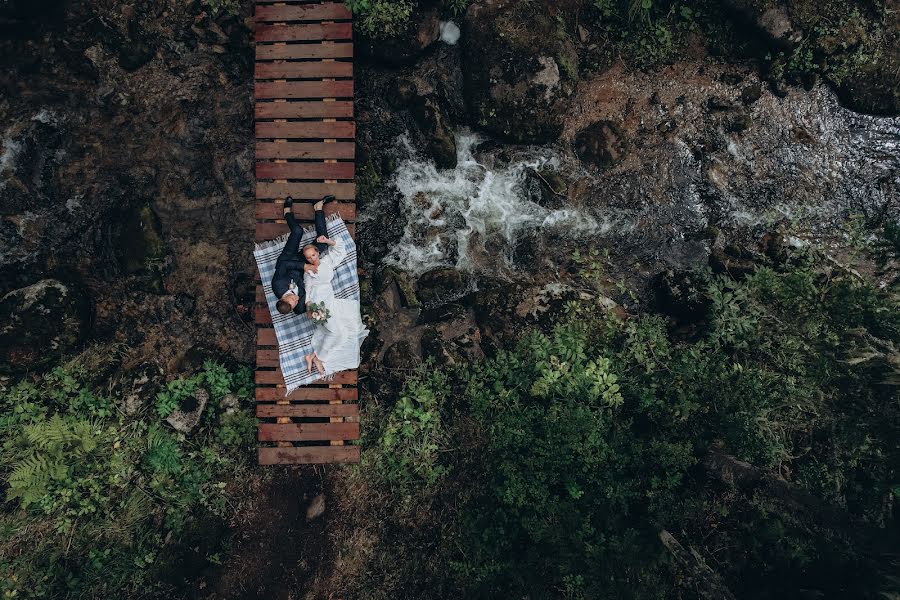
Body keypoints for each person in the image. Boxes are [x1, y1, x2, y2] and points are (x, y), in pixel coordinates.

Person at [302, 234, 369, 376]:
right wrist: (309, 308)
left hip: (329, 299)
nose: (312, 259)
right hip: (318, 304)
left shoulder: (326, 262)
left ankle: (313, 356)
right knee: (337, 333)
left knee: (343, 329)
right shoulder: (309, 272)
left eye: (313, 255)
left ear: (318, 253)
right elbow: (307, 292)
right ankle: (318, 358)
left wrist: (327, 241)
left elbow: (340, 250)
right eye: (308, 257)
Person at [271, 195, 336, 315]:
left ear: (282, 298)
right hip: (302, 267)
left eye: (291, 298)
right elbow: (310, 293)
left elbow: (284, 265)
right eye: (294, 302)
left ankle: (287, 213)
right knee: (322, 243)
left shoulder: (277, 284)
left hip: (288, 258)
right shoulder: (299, 308)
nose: (296, 299)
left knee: (297, 231)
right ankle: (318, 208)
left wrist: (304, 266)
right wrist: (311, 310)